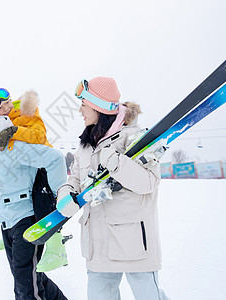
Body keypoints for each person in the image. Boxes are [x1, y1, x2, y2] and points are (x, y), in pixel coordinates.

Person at [56, 77, 169, 300]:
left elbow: (148, 183)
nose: (80, 111)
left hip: (134, 244)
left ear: (99, 107)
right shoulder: (86, 145)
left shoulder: (135, 138)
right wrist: (65, 194)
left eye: (83, 105)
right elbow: (74, 180)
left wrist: (115, 162)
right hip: (97, 246)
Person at [0, 100, 68, 300]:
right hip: (7, 224)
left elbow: (55, 159)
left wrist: (58, 197)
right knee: (34, 279)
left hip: (26, 222)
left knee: (25, 290)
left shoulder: (11, 146)